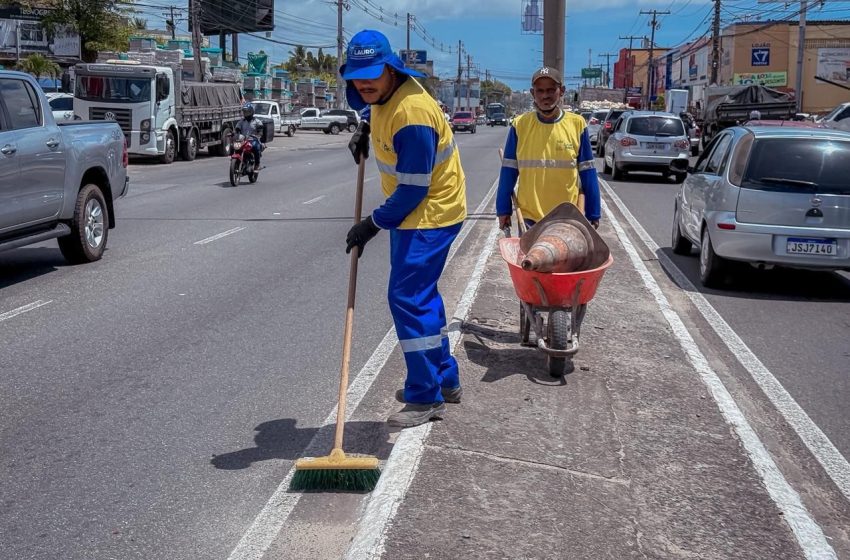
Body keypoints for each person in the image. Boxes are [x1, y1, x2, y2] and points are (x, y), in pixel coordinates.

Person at [341, 29, 467, 429]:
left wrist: (371, 225)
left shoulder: (412, 115)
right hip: (418, 213)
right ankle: (445, 380)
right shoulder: (382, 95)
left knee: (407, 299)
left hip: (430, 213)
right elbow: (372, 107)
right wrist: (363, 127)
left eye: (372, 75)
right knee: (421, 298)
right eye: (357, 76)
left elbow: (413, 189)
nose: (364, 84)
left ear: (391, 70)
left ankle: (425, 396)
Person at [496, 67, 601, 232]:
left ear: (562, 91)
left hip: (567, 218)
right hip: (530, 218)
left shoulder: (577, 124)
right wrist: (503, 210)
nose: (545, 95)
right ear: (533, 93)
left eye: (551, 90)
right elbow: (508, 172)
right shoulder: (520, 125)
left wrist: (593, 213)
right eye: (540, 90)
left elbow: (588, 173)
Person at [234, 102, 264, 168]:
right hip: (243, 140)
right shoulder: (241, 121)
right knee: (236, 147)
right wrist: (235, 133)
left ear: (251, 112)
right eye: (244, 112)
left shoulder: (257, 121)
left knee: (256, 147)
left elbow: (261, 130)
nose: (245, 114)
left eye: (247, 112)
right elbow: (237, 128)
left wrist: (259, 134)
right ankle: (237, 163)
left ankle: (257, 164)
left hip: (253, 140)